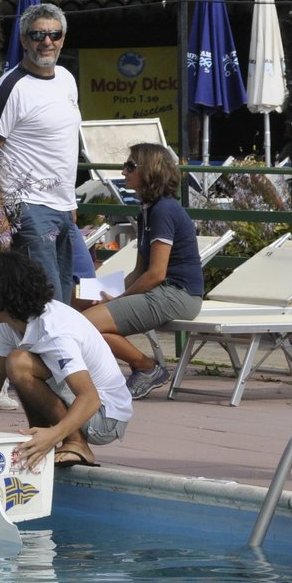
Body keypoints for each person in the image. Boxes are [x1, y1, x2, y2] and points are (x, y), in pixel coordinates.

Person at [0, 251, 131, 470]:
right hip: (85, 407)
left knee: (18, 363)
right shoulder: (9, 324)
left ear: (1, 296)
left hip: (105, 418)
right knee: (16, 364)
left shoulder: (55, 332)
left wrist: (54, 435)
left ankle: (75, 443)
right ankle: (40, 436)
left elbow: (90, 398)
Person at [80, 143, 204, 400]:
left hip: (177, 294)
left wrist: (119, 301)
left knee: (85, 324)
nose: (123, 172)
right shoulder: (148, 210)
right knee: (86, 320)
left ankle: (146, 368)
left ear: (149, 171)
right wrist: (109, 295)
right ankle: (143, 368)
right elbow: (140, 270)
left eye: (130, 166)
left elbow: (156, 274)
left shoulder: (163, 211)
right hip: (166, 292)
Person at [0, 2, 82, 303]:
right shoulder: (11, 87)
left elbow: (62, 145)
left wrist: (70, 201)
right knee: (44, 301)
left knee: (62, 298)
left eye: (54, 34)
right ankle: (33, 352)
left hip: (62, 207)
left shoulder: (66, 79)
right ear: (23, 40)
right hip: (28, 207)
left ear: (63, 37)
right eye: (37, 35)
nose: (46, 42)